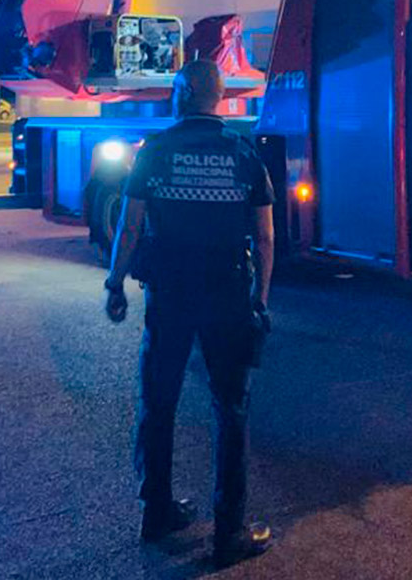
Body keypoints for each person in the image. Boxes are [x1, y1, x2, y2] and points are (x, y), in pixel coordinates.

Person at [104, 59, 275, 568]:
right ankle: (230, 532)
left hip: (170, 293)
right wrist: (260, 302)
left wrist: (115, 283)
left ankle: (156, 511)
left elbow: (130, 229)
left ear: (180, 94)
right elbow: (265, 238)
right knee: (231, 409)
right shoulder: (245, 153)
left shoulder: (154, 152)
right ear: (220, 98)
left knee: (158, 402)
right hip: (227, 295)